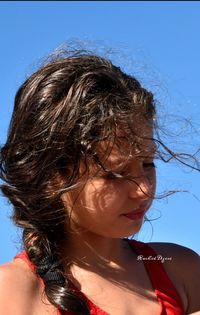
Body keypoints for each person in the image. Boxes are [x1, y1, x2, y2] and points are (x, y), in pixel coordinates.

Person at [0, 49, 199, 315]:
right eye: (115, 173)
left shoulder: (179, 268)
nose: (143, 190)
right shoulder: (13, 292)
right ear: (50, 177)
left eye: (148, 164)